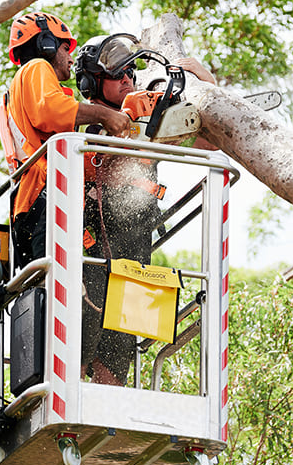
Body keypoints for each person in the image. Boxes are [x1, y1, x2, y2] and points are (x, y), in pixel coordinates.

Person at [73, 33, 217, 385]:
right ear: (92, 83)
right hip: (92, 237)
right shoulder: (78, 122)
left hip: (136, 236)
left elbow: (209, 142)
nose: (126, 79)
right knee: (84, 325)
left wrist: (206, 82)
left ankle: (112, 403)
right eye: (117, 75)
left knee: (122, 340)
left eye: (129, 73)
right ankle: (72, 392)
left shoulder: (148, 117)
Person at [2, 12, 131, 270]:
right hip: (44, 197)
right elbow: (51, 111)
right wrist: (105, 115)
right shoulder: (37, 68)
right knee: (58, 286)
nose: (71, 58)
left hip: (33, 203)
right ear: (46, 45)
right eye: (65, 48)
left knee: (49, 291)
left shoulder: (23, 84)